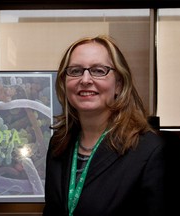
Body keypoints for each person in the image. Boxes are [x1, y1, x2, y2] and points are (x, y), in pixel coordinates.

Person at [43, 35, 168, 216]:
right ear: (64, 82)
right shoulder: (59, 143)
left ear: (119, 84)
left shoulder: (151, 151)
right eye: (76, 71)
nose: (85, 79)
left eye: (99, 70)